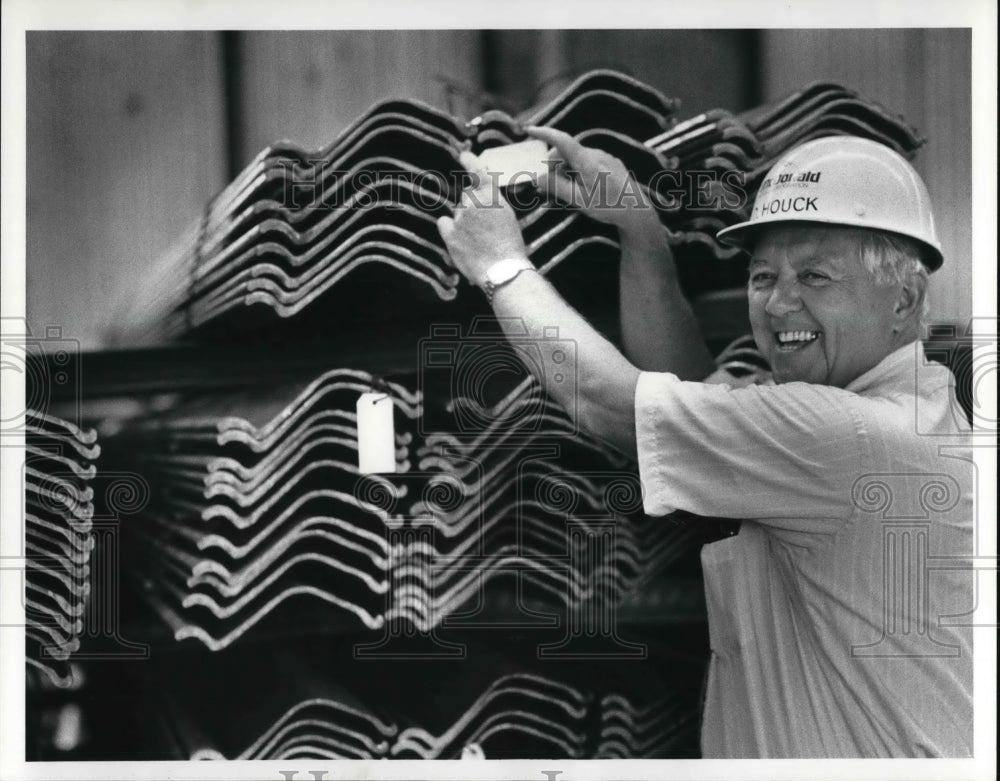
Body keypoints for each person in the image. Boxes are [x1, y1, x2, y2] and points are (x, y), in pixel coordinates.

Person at [435, 131, 974, 758]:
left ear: (904, 300)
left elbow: (610, 403)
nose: (778, 302)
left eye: (815, 276)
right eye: (763, 274)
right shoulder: (901, 413)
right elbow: (687, 388)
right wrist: (639, 232)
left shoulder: (850, 437)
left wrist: (500, 265)